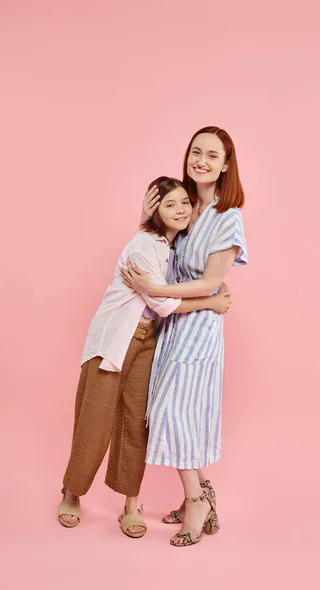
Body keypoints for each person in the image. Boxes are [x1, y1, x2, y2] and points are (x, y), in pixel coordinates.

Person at [57, 176, 232, 538]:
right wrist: (212, 302)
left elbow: (175, 286)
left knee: (136, 424)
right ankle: (72, 494)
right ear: (155, 210)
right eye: (170, 205)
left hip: (148, 341)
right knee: (95, 420)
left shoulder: (173, 246)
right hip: (114, 339)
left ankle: (131, 505)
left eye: (185, 202)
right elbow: (163, 301)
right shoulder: (143, 246)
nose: (181, 210)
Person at [121, 126, 248, 546]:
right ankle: (201, 494)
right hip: (170, 324)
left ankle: (196, 500)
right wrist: (148, 215)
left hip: (197, 327)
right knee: (178, 413)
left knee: (176, 411)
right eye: (197, 152)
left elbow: (210, 281)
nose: (202, 160)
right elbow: (156, 249)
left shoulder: (229, 218)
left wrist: (155, 289)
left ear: (226, 165)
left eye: (213, 155)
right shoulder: (184, 205)